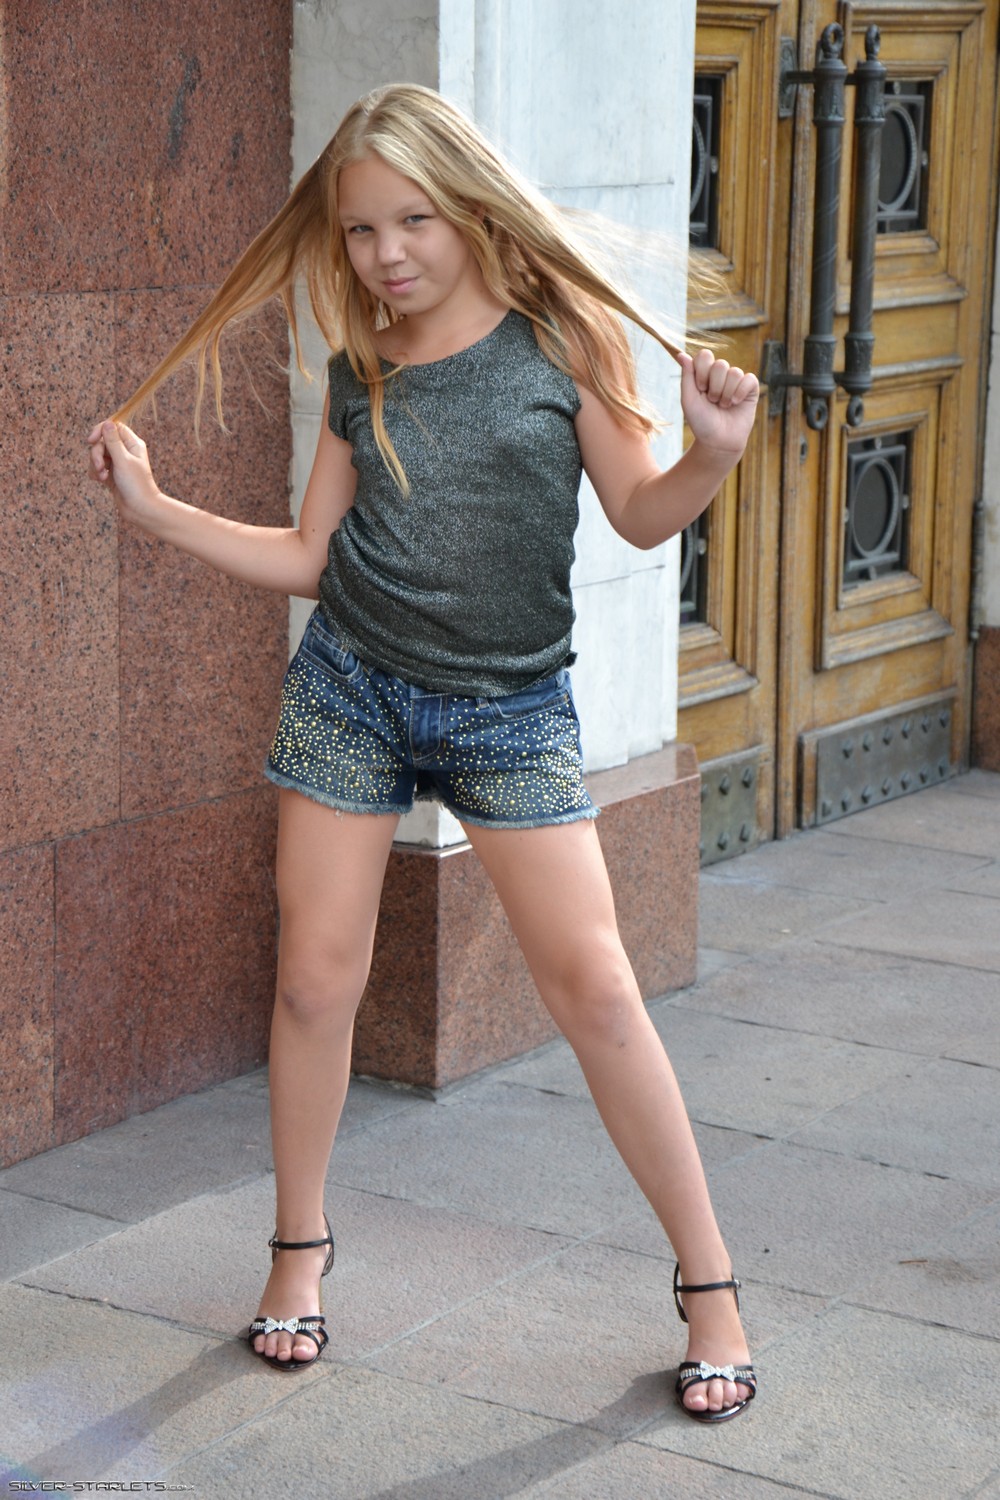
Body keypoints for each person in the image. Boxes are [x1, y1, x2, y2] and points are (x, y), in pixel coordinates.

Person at [87, 82, 759, 1424]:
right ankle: (297, 1251)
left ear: (468, 208)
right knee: (313, 982)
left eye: (413, 221)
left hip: (510, 709)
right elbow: (309, 557)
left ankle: (711, 1287)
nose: (386, 254)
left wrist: (713, 454)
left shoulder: (561, 342)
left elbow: (639, 516)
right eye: (358, 230)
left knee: (597, 988)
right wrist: (157, 514)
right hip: (352, 690)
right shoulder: (364, 370)